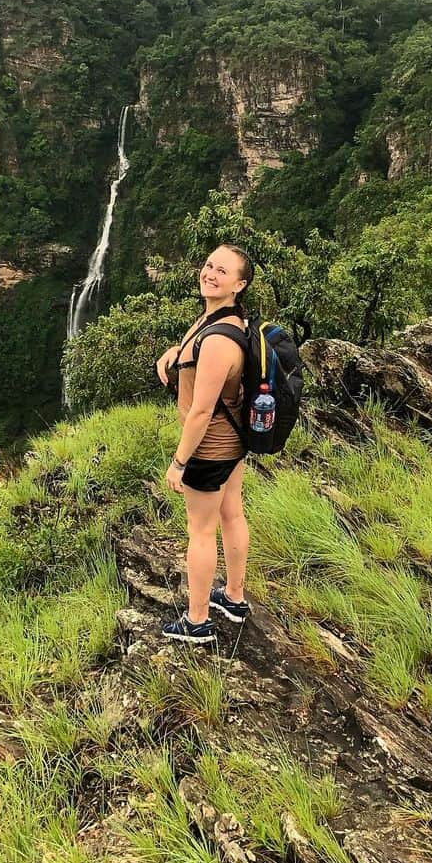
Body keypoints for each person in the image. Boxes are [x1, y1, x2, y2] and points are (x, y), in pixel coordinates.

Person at [156, 244, 254, 644]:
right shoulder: (226, 319)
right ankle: (234, 596)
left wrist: (180, 462)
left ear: (240, 284)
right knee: (232, 513)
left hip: (210, 446)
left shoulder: (217, 340)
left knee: (200, 530)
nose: (211, 274)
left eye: (222, 271)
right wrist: (175, 352)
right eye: (209, 265)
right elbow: (204, 353)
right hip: (234, 441)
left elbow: (200, 411)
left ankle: (197, 621)